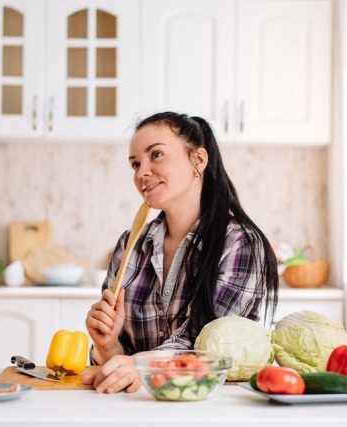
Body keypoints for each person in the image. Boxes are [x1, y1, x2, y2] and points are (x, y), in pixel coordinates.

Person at [82, 112, 279, 393]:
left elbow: (209, 349)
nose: (141, 173)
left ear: (198, 160)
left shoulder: (241, 244)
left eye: (157, 155)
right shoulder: (130, 246)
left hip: (211, 406)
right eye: (135, 164)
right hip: (137, 407)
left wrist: (140, 364)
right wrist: (108, 344)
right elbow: (122, 367)